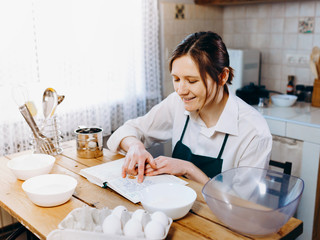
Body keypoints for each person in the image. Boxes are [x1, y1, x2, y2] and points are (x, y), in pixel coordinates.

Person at [107, 31, 272, 184]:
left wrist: (188, 169)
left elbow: (242, 204)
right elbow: (129, 130)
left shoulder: (254, 131)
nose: (181, 91)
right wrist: (136, 146)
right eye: (177, 79)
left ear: (222, 76)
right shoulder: (177, 103)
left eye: (192, 81)